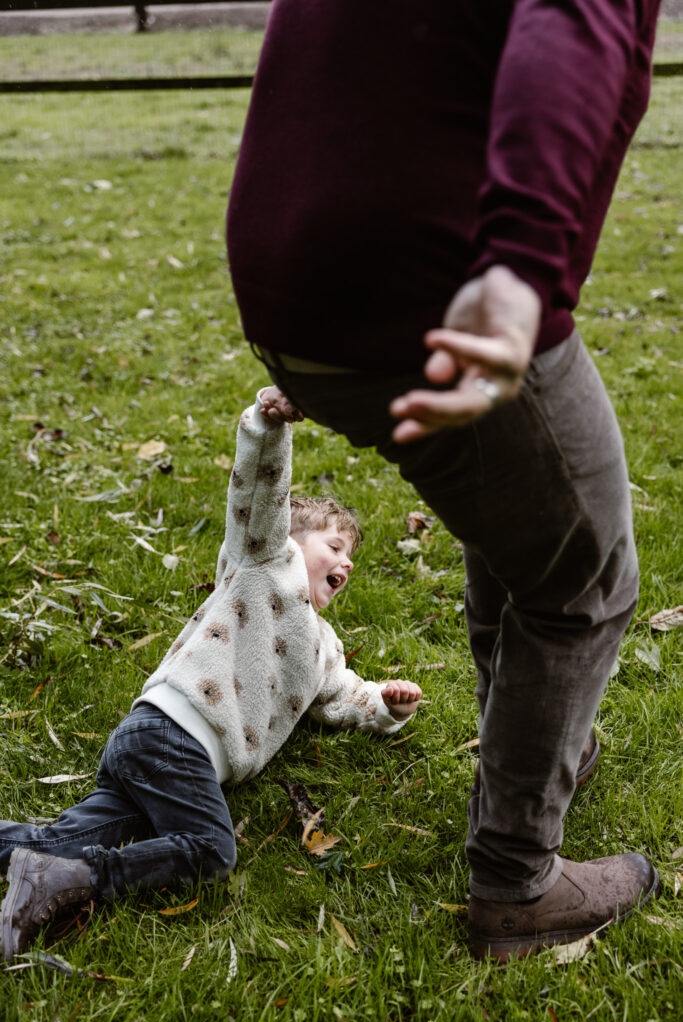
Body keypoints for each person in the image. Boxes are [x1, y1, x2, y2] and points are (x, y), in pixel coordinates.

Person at [225, 0, 662, 960]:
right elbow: (567, 37)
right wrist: (519, 265)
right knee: (582, 578)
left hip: (290, 281)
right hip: (434, 286)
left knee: (519, 516)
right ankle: (515, 882)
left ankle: (546, 752)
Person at [0, 386, 422, 964]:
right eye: (335, 545)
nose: (346, 562)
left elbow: (346, 699)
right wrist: (269, 429)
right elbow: (259, 496)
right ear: (295, 545)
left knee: (65, 836)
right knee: (210, 852)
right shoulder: (265, 564)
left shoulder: (325, 649)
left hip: (149, 747)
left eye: (351, 557)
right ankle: (69, 879)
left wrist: (389, 706)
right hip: (178, 738)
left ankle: (38, 863)